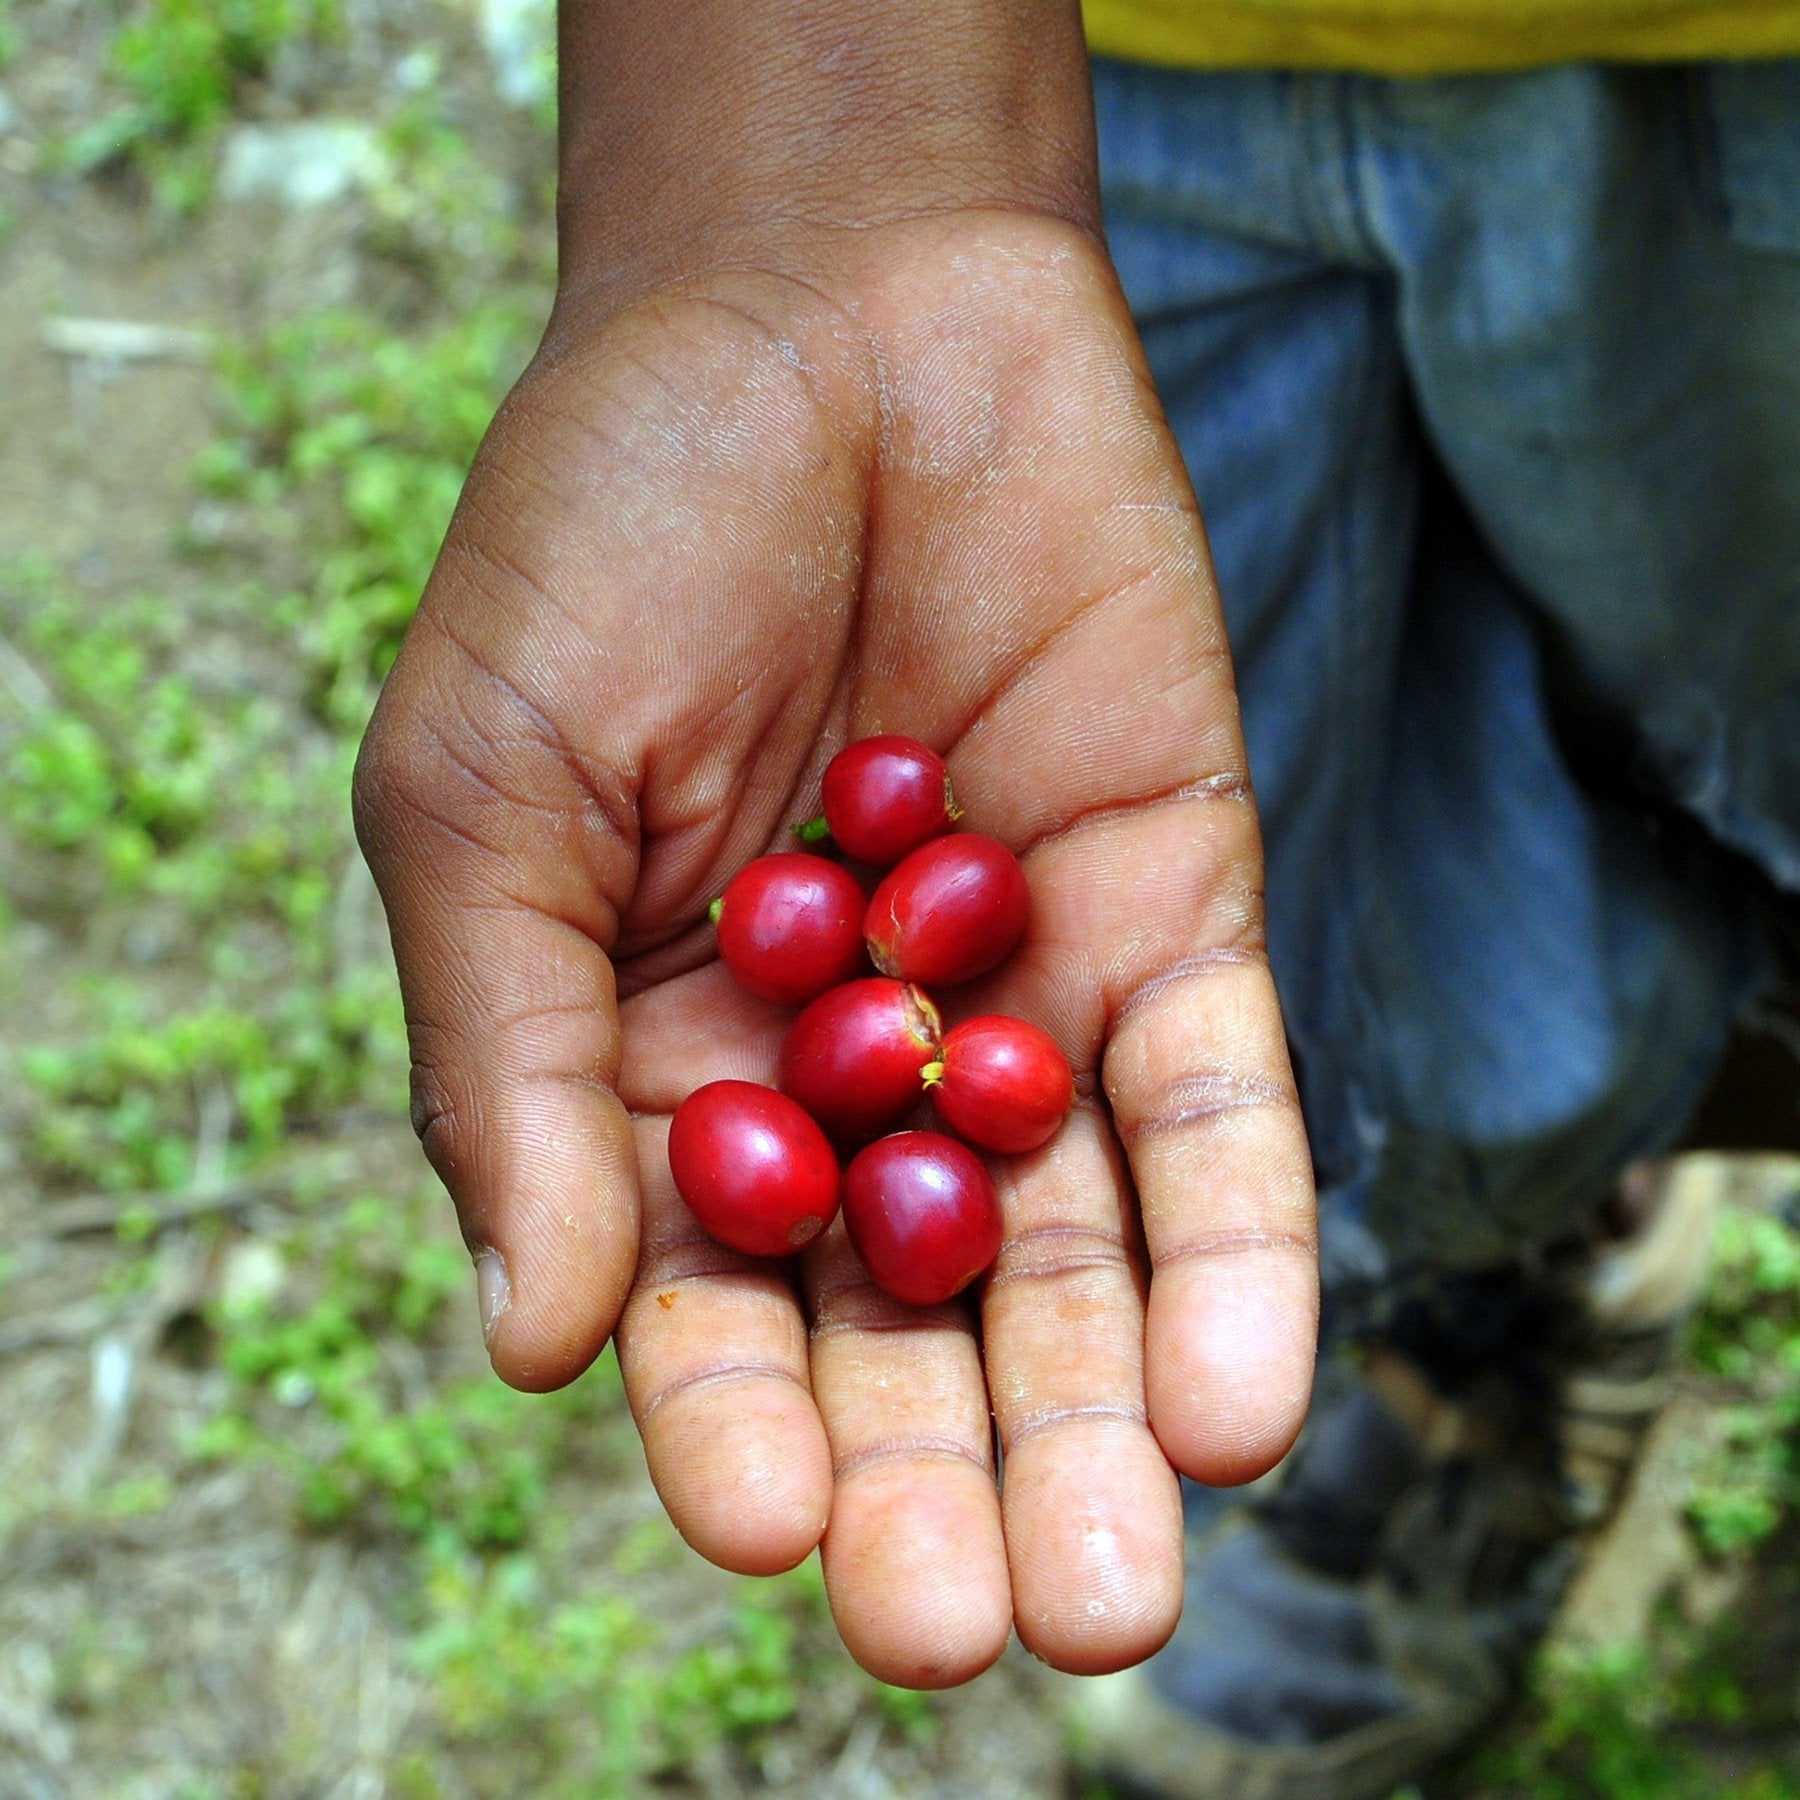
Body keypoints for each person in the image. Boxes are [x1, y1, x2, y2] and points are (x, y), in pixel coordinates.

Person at [349, 3, 1800, 1793]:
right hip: (1043, 81)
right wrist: (783, 168)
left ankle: (1592, 1177)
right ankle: (1519, 1255)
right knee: (1309, 903)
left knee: (1751, 734)